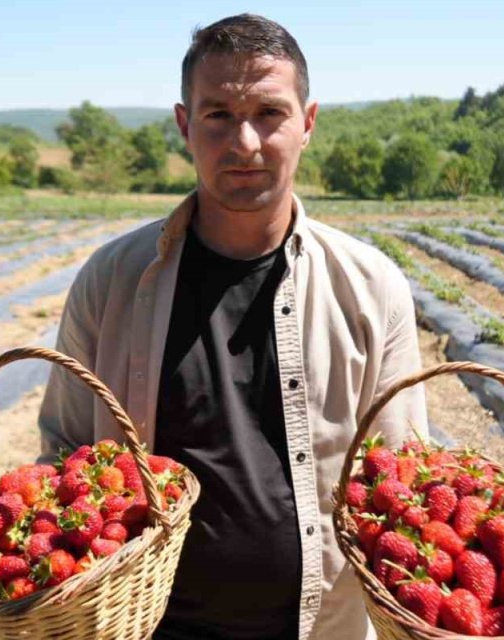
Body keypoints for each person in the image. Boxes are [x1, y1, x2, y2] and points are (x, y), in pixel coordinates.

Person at [37, 13, 427, 640]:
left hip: (318, 626)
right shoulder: (111, 281)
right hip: (147, 628)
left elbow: (402, 478)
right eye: (217, 114)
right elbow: (62, 454)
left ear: (308, 123)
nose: (245, 142)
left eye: (269, 113)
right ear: (185, 126)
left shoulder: (370, 286)